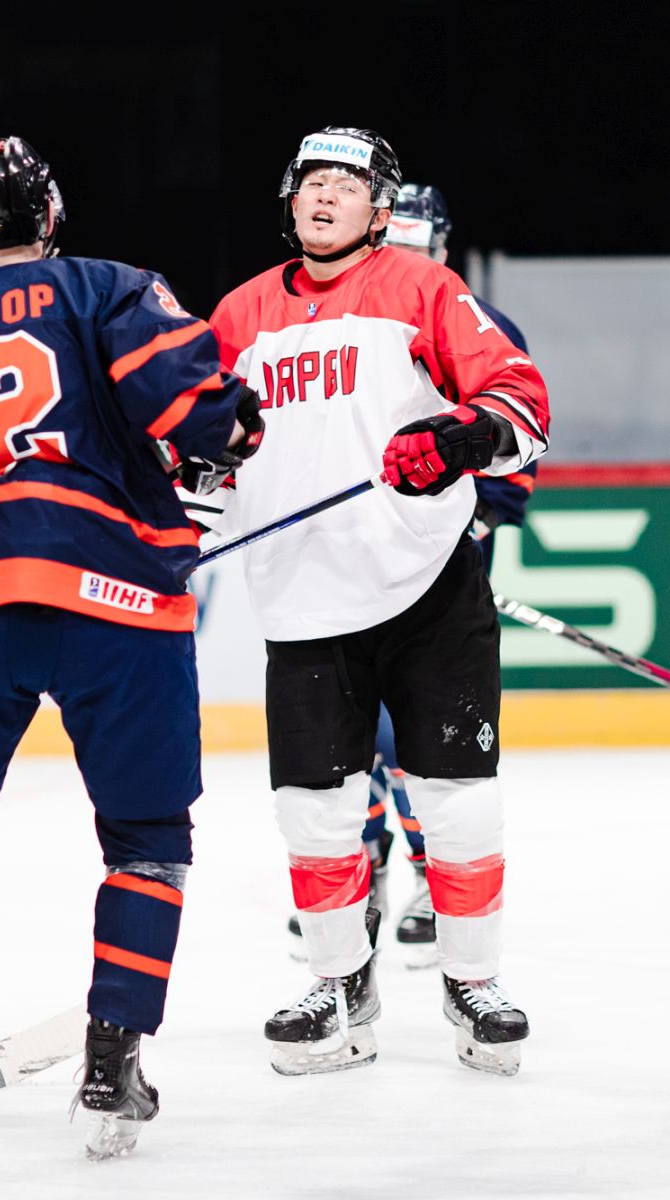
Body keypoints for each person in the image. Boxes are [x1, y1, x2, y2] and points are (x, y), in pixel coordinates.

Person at [0, 135, 261, 1162]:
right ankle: (113, 1067)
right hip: (112, 590)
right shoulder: (108, 289)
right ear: (51, 215)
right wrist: (231, 429)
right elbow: (189, 405)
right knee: (148, 838)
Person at [208, 128, 549, 1076]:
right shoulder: (238, 315)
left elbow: (518, 395)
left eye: (346, 186)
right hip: (302, 604)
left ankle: (471, 980)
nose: (324, 197)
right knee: (315, 814)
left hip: (429, 589)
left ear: (379, 210)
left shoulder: (424, 290)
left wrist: (463, 437)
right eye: (311, 182)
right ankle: (337, 985)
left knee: (460, 806)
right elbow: (196, 446)